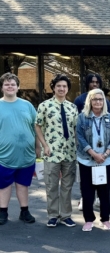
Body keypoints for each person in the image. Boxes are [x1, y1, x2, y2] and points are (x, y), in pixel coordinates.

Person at [35, 74, 78, 227]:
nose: (61, 88)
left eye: (64, 86)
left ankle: (66, 215)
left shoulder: (72, 107)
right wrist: (44, 145)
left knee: (67, 186)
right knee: (51, 185)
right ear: (53, 87)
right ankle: (53, 215)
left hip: (69, 152)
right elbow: (38, 125)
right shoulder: (44, 106)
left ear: (67, 89)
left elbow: (74, 129)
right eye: (58, 86)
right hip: (51, 152)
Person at [0, 73, 40, 226]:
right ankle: (3, 211)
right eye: (6, 84)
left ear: (18, 87)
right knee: (3, 185)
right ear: (2, 87)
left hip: (26, 155)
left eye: (12, 84)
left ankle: (25, 211)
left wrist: (38, 147)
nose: (10, 86)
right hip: (4, 155)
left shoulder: (27, 105)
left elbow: (35, 127)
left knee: (23, 185)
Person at [76, 89, 110, 231]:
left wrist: (104, 155)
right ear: (90, 101)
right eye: (95, 99)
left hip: (105, 160)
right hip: (87, 159)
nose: (98, 102)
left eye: (100, 99)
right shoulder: (82, 117)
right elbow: (79, 137)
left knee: (104, 191)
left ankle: (105, 219)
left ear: (104, 101)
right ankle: (88, 219)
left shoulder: (109, 117)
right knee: (87, 191)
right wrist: (93, 154)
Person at [74, 73, 110, 210]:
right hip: (86, 150)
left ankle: (100, 201)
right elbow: (78, 125)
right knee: (86, 181)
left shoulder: (105, 101)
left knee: (102, 179)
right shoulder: (79, 100)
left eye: (97, 82)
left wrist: (105, 153)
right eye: (92, 82)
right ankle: (84, 198)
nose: (94, 84)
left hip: (103, 151)